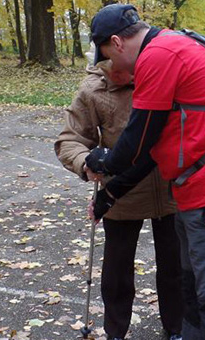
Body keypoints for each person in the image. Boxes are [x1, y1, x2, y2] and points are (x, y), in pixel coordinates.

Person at [84, 4, 205, 339]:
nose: (109, 64)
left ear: (117, 43)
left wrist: (104, 162)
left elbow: (137, 138)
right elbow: (155, 146)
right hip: (199, 191)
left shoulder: (158, 55)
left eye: (106, 55)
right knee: (193, 292)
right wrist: (111, 192)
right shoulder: (172, 46)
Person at [54, 58, 183, 340]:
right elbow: (69, 139)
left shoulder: (160, 77)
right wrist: (85, 161)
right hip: (120, 194)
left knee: (175, 266)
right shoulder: (92, 90)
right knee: (117, 273)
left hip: (171, 188)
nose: (126, 71)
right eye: (116, 65)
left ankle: (177, 327)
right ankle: (116, 332)